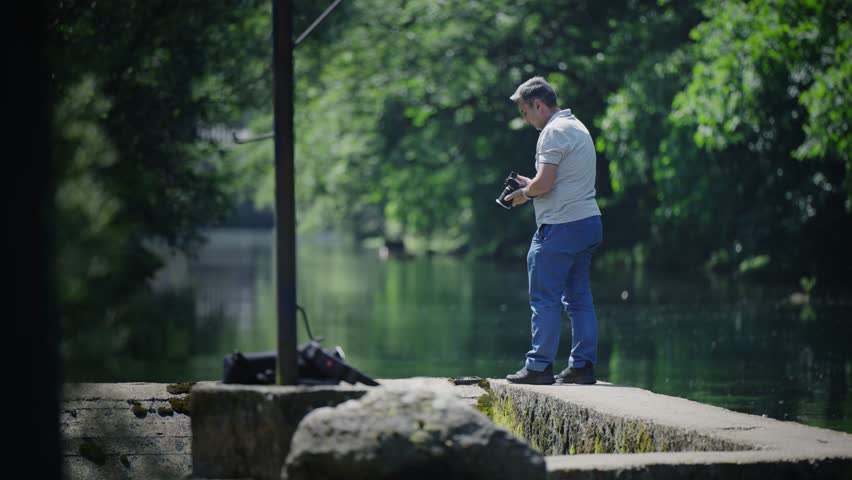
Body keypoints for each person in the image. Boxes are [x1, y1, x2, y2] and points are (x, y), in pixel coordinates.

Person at [503, 76, 603, 385]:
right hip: (587, 223)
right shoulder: (577, 127)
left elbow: (544, 185)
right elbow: (554, 181)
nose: (525, 119)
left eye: (525, 112)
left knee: (544, 297)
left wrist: (524, 193)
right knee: (578, 298)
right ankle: (582, 367)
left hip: (560, 227)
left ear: (538, 105)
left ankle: (539, 367)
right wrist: (529, 185)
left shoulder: (552, 132)